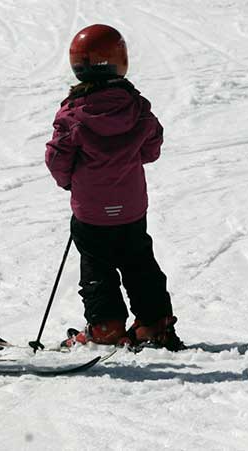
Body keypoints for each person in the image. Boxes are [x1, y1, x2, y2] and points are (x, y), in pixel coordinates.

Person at [44, 24, 184, 350]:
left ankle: (106, 325)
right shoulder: (135, 108)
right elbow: (151, 147)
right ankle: (154, 322)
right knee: (139, 262)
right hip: (131, 207)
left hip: (91, 211)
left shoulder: (73, 112)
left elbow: (57, 157)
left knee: (97, 266)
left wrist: (68, 181)